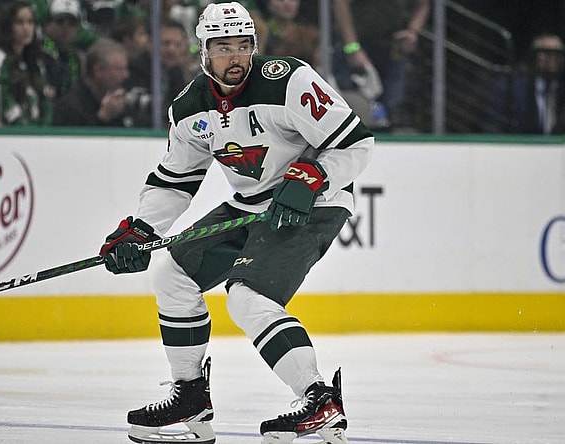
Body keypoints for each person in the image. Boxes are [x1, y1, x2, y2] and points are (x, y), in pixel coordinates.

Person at [97, 3, 373, 444]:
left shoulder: (289, 80)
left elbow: (355, 144)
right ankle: (190, 397)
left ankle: (319, 400)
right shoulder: (190, 108)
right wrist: (140, 229)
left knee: (247, 297)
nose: (235, 57)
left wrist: (313, 178)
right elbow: (175, 180)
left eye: (243, 46)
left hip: (311, 203)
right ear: (203, 52)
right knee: (172, 272)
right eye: (223, 47)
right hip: (251, 205)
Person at [332, 0, 430, 130]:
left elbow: (423, 4)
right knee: (353, 108)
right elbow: (340, 3)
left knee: (394, 105)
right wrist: (352, 46)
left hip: (394, 45)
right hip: (360, 44)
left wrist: (412, 31)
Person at [53, 37, 148, 127]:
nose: (126, 75)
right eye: (119, 69)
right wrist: (103, 118)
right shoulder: (69, 107)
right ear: (98, 71)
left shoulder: (122, 104)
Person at [0, 0, 54, 125]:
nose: (26, 28)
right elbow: (5, 102)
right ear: (8, 26)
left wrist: (44, 130)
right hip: (13, 134)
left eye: (30, 22)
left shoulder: (36, 62)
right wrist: (24, 130)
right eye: (20, 22)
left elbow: (44, 102)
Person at [509, 33, 565, 134]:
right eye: (548, 53)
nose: (554, 58)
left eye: (559, 54)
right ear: (535, 57)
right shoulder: (516, 88)